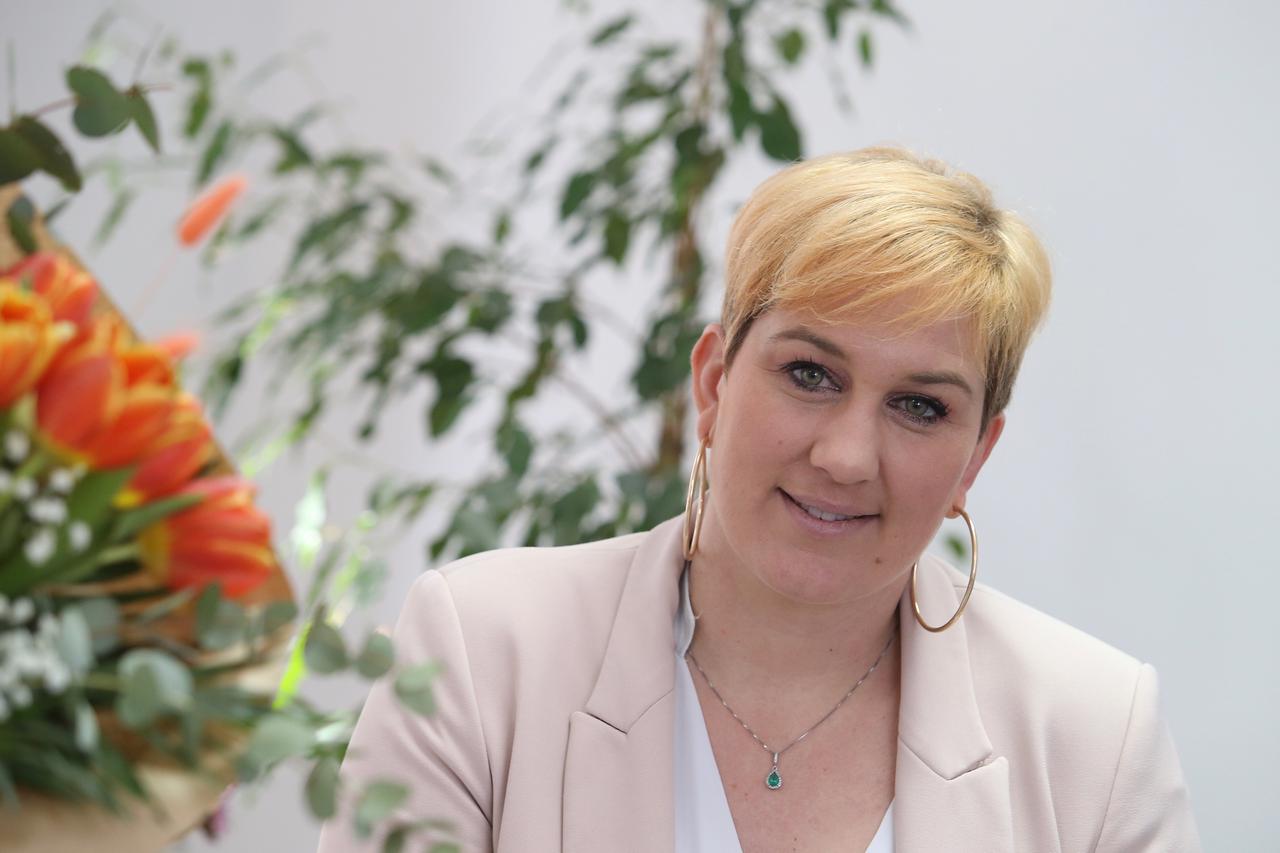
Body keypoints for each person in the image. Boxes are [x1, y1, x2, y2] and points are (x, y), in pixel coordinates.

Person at [317, 147, 1200, 852]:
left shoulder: (1096, 731)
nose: (846, 457)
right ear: (712, 383)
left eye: (920, 406)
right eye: (810, 374)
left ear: (976, 455)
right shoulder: (482, 650)